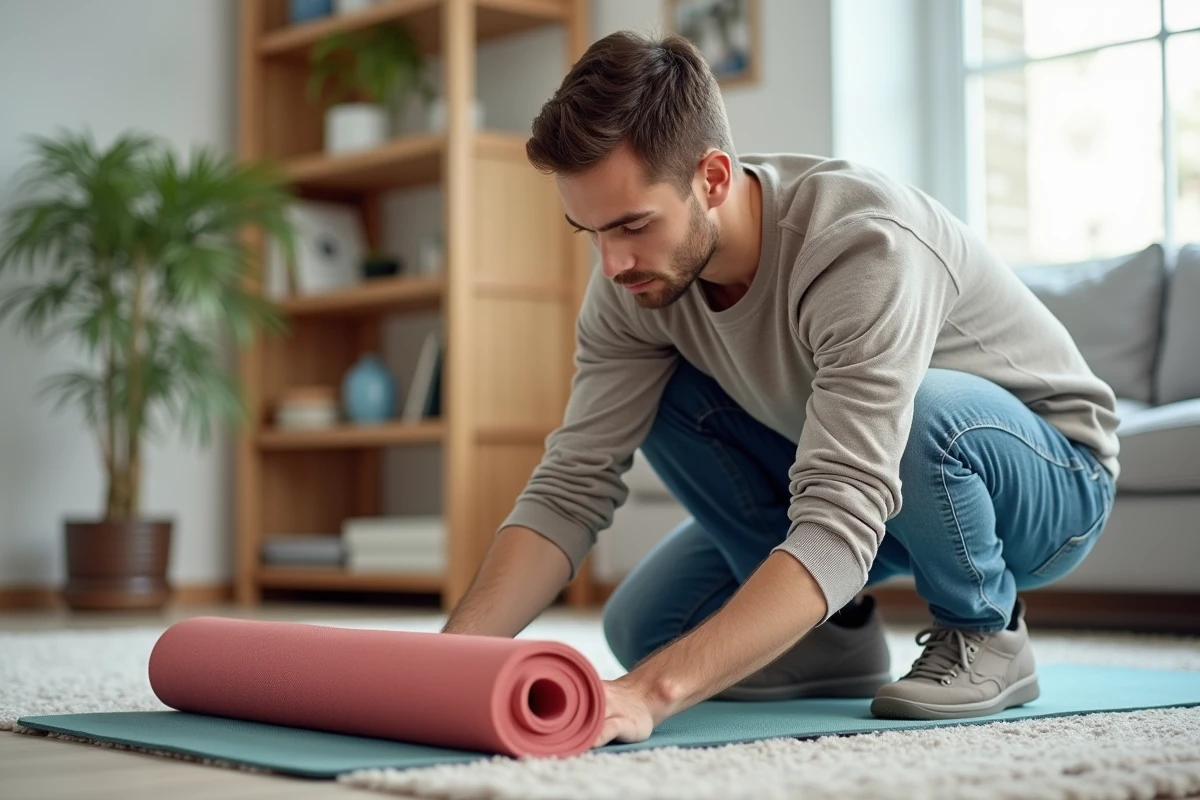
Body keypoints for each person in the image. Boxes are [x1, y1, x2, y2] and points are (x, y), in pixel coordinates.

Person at [440, 30, 1119, 748]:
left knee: (922, 415)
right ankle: (837, 637)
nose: (611, 262)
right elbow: (571, 484)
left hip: (1041, 484)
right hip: (875, 488)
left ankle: (985, 628)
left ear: (713, 178)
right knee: (646, 628)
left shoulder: (862, 244)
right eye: (590, 230)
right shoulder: (632, 283)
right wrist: (445, 662)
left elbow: (841, 514)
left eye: (633, 224)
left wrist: (651, 694)